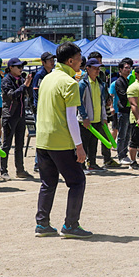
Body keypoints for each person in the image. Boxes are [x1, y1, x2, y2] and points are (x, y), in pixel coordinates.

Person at [34, 42, 91, 238]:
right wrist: (79, 146)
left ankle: (42, 224)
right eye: (79, 58)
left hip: (43, 139)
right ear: (70, 60)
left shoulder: (47, 79)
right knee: (77, 181)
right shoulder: (69, 83)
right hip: (60, 141)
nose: (81, 61)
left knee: (48, 183)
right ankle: (71, 225)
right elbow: (71, 118)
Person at [77, 53, 114, 170]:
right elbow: (79, 102)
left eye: (99, 68)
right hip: (85, 121)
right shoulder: (82, 84)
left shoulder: (101, 84)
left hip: (97, 119)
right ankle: (80, 166)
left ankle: (92, 163)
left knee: (93, 144)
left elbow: (102, 102)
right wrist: (84, 117)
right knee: (84, 143)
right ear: (87, 68)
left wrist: (104, 117)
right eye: (95, 68)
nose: (98, 70)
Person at [0, 58, 33, 179]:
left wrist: (28, 84)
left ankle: (20, 170)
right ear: (11, 68)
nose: (21, 69)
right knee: (6, 144)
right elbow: (12, 95)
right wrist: (24, 85)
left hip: (20, 115)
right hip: (10, 116)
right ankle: (3, 171)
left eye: (21, 67)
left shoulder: (21, 80)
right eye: (18, 67)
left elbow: (28, 94)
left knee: (20, 144)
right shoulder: (6, 80)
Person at [110, 58, 135, 162]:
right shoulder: (118, 82)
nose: (128, 70)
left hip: (129, 111)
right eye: (126, 68)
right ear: (120, 69)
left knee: (127, 134)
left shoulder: (128, 80)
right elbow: (122, 96)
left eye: (129, 68)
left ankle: (124, 154)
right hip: (122, 110)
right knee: (122, 134)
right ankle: (121, 155)